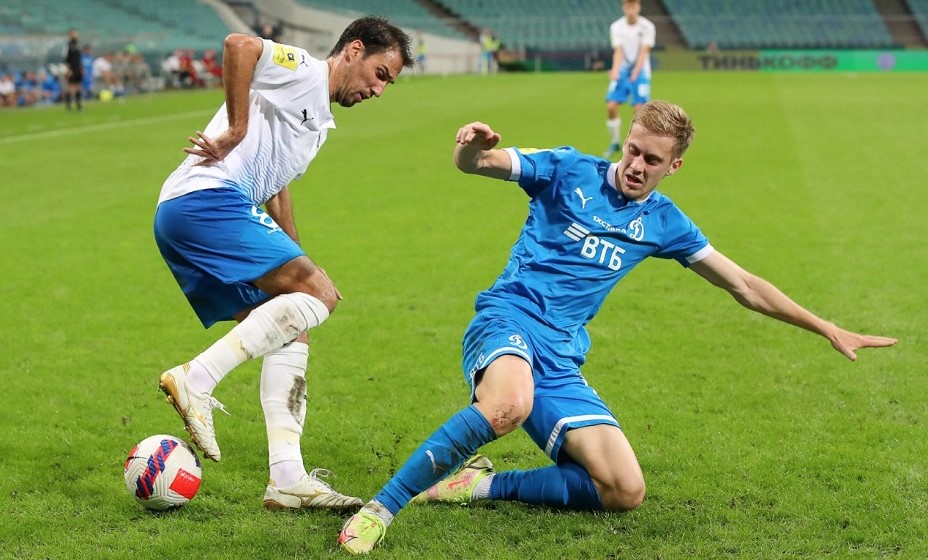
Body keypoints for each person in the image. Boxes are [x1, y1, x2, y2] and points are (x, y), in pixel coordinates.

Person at [337, 100, 898, 554]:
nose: (636, 166)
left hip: (560, 354)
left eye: (652, 160)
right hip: (508, 319)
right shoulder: (567, 169)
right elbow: (478, 164)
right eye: (633, 150)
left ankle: (477, 483)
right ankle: (381, 509)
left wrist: (825, 326)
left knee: (623, 490)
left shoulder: (663, 221)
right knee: (508, 405)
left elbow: (744, 285)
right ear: (624, 141)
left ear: (673, 166)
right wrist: (471, 147)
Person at [154, 17, 413, 511]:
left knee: (293, 329)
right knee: (321, 295)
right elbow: (239, 45)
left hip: (192, 213)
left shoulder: (318, 119)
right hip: (205, 200)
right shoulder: (306, 71)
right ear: (354, 50)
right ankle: (196, 379)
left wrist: (295, 252)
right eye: (380, 74)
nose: (379, 90)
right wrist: (236, 128)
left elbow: (275, 181)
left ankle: (287, 479)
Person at [603, 0, 655, 159]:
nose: (631, 9)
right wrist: (615, 70)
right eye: (628, 6)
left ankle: (636, 145)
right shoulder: (616, 27)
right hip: (623, 70)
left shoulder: (647, 26)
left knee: (639, 110)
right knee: (611, 106)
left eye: (634, 6)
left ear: (638, 7)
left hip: (641, 72)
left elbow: (644, 51)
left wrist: (636, 72)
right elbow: (618, 51)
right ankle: (615, 141)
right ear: (624, 7)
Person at [63, 29, 83, 111]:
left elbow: (79, 58)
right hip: (71, 69)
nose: (75, 35)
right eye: (74, 34)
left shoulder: (77, 45)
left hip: (78, 69)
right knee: (71, 87)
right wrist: (68, 70)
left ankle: (78, 105)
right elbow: (66, 59)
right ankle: (68, 105)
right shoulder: (68, 46)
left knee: (78, 86)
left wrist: (81, 68)